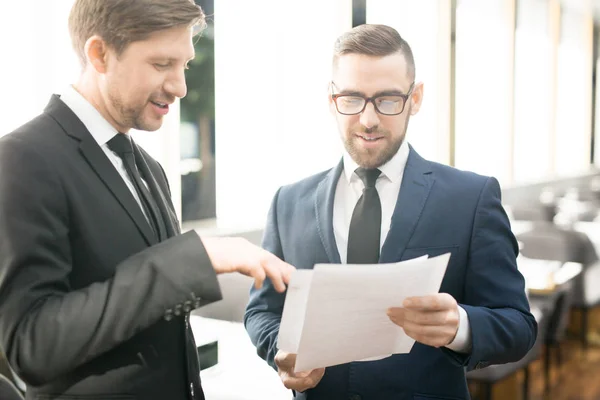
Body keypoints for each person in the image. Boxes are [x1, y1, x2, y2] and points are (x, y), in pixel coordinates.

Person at [0, 1, 294, 399]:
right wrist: (193, 261)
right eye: (161, 64)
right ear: (99, 54)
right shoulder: (21, 159)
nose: (180, 87)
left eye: (184, 65)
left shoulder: (149, 168)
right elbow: (31, 346)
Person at [244, 24, 537, 399]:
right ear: (332, 99)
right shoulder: (288, 201)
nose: (368, 119)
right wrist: (280, 353)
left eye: (387, 100)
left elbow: (518, 326)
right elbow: (263, 311)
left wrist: (459, 326)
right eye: (352, 98)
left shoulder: (472, 198)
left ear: (415, 99)